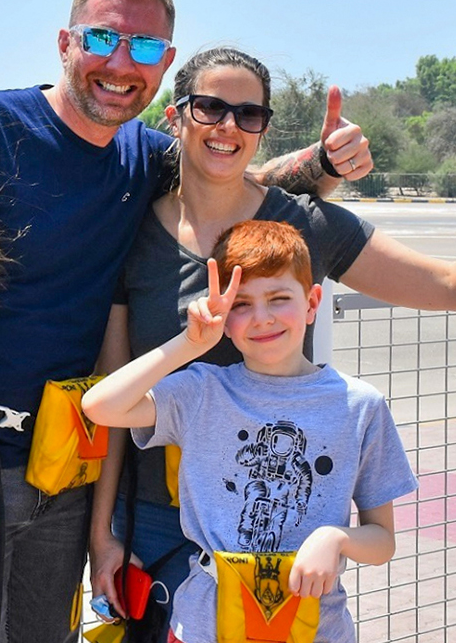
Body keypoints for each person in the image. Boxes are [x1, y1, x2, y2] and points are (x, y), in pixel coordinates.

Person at [0, 0, 375, 643]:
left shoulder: (142, 154)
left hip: (69, 455)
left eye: (146, 49)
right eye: (103, 37)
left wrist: (323, 166)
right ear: (65, 42)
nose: (123, 63)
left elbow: (227, 177)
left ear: (167, 66)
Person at [87, 46, 456, 636]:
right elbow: (110, 398)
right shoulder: (135, 234)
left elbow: (450, 286)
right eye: (210, 109)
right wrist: (104, 537)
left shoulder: (306, 225)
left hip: (284, 538)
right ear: (175, 117)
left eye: (248, 115)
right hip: (156, 527)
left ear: (264, 129)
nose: (228, 127)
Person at [81, 220, 421, 643]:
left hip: (315, 628)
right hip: (205, 625)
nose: (262, 319)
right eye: (242, 304)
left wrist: (337, 539)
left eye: (280, 299)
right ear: (223, 316)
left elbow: (382, 540)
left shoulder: (359, 406)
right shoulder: (202, 391)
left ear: (313, 302)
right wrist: (188, 344)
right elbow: (100, 406)